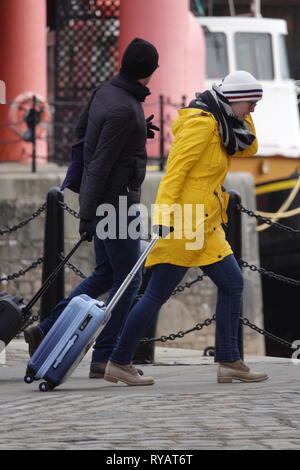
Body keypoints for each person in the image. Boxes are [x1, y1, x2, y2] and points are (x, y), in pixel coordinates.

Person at [103, 70, 269, 386]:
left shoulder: (224, 126)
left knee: (233, 284)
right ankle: (119, 361)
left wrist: (245, 113)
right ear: (233, 101)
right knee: (155, 295)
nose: (252, 111)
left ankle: (230, 361)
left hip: (206, 225)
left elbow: (250, 147)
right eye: (250, 104)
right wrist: (163, 216)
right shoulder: (201, 126)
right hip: (184, 224)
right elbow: (174, 174)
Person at [24, 38, 160, 379]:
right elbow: (99, 161)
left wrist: (138, 131)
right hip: (116, 206)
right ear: (149, 72)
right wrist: (88, 214)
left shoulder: (107, 92)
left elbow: (85, 136)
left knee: (106, 274)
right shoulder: (125, 109)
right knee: (130, 280)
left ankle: (48, 328)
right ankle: (105, 357)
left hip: (104, 200)